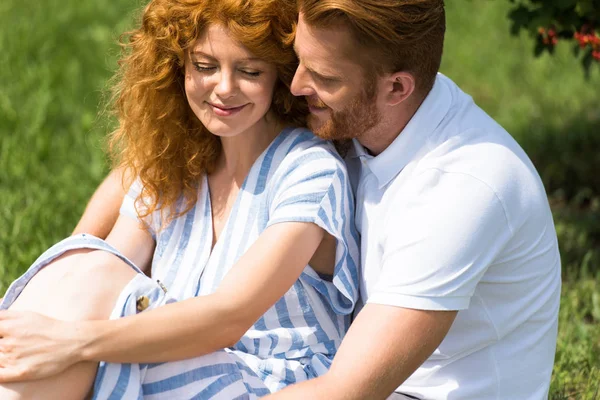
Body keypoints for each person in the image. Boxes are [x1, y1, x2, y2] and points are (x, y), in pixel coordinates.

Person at [2, 1, 562, 399]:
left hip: (379, 391)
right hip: (277, 368)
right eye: (296, 63)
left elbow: (348, 389)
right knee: (89, 281)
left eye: (317, 76)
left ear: (396, 88)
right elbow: (141, 178)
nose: (294, 87)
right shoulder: (352, 120)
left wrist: (72, 341)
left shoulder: (460, 189)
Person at [0, 0, 360, 399]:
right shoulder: (177, 161)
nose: (224, 88)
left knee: (89, 305)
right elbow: (99, 269)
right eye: (205, 66)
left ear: (280, 74)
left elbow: (230, 316)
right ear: (178, 65)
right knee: (90, 268)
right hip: (179, 361)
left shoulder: (309, 170)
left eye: (250, 71)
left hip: (271, 382)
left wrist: (70, 342)